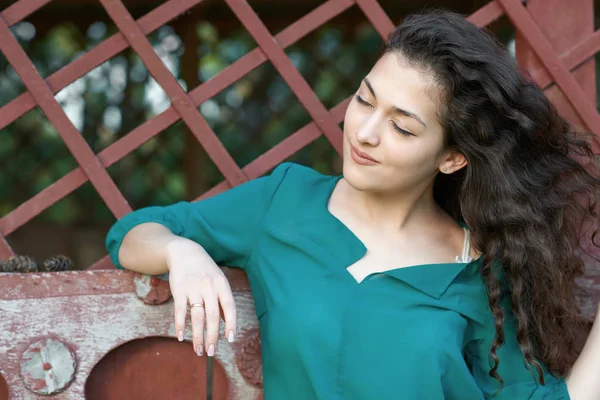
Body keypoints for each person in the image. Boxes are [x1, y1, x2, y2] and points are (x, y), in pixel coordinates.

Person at [105, 10, 600, 400]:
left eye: (402, 127)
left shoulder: (475, 274)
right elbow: (131, 234)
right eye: (365, 100)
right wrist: (180, 252)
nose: (363, 133)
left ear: (451, 158)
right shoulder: (283, 204)